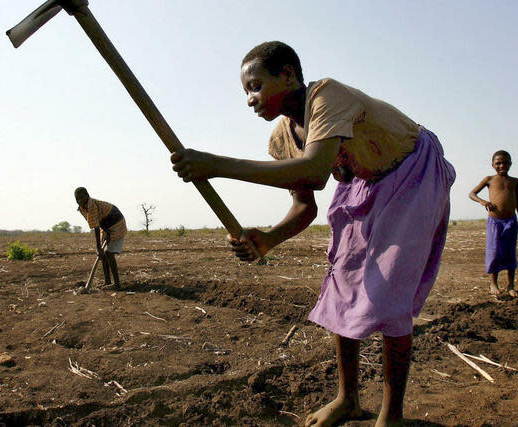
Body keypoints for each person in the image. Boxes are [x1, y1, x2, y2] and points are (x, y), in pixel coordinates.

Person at [170, 41, 455, 427]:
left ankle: (392, 415)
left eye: (255, 86)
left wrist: (216, 165)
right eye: (245, 92)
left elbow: (315, 173)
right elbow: (306, 206)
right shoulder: (281, 138)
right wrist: (268, 238)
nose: (250, 100)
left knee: (389, 294)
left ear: (288, 74)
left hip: (410, 170)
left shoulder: (327, 96)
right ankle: (348, 399)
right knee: (341, 288)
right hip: (363, 181)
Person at [469, 150, 518, 297]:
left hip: (511, 222)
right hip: (495, 222)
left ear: (511, 163)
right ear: (493, 165)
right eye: (498, 163)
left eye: (505, 162)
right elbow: (472, 194)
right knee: (494, 252)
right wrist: (484, 202)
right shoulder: (489, 179)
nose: (502, 165)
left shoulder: (515, 181)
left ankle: (511, 285)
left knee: (510, 253)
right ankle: (493, 283)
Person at [74, 187, 127, 289]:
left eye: (81, 198)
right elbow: (96, 223)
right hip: (106, 227)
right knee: (103, 255)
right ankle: (107, 282)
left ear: (87, 196)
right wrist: (104, 236)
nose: (79, 201)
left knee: (108, 253)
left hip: (117, 224)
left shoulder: (91, 205)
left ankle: (117, 284)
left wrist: (98, 246)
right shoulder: (82, 208)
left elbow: (96, 227)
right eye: (77, 199)